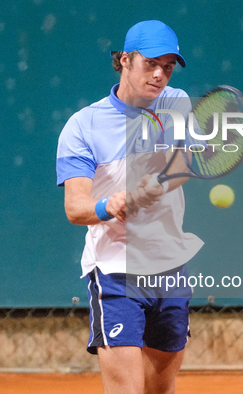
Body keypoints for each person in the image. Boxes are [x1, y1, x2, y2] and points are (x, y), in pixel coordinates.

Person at [56, 20, 203, 394]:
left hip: (169, 267)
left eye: (168, 67)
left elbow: (181, 165)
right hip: (115, 271)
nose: (159, 75)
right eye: (150, 63)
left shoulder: (176, 102)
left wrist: (154, 186)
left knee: (160, 388)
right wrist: (111, 204)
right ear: (124, 59)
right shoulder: (83, 126)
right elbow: (76, 208)